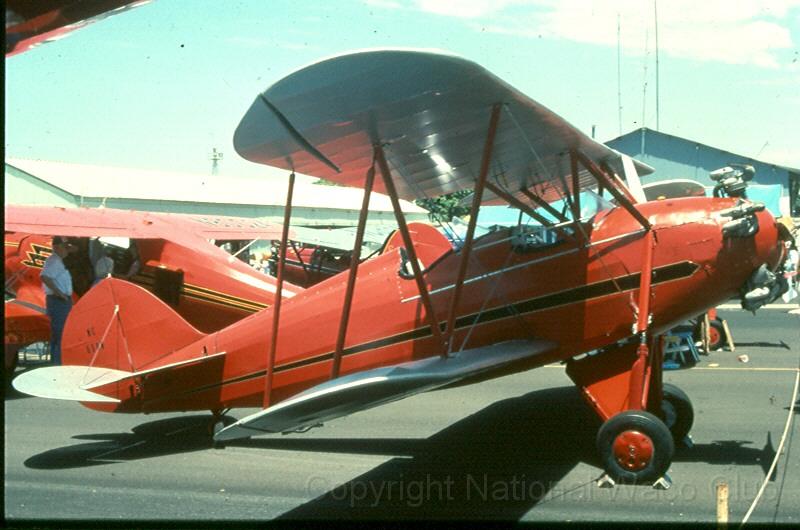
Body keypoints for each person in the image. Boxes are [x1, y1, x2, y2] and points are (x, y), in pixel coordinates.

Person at [41, 236, 77, 364]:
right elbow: (45, 277)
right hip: (58, 301)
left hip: (60, 300)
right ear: (56, 247)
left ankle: (57, 362)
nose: (67, 250)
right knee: (61, 333)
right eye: (64, 247)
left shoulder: (57, 260)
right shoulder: (54, 261)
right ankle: (58, 363)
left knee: (58, 334)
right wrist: (60, 294)